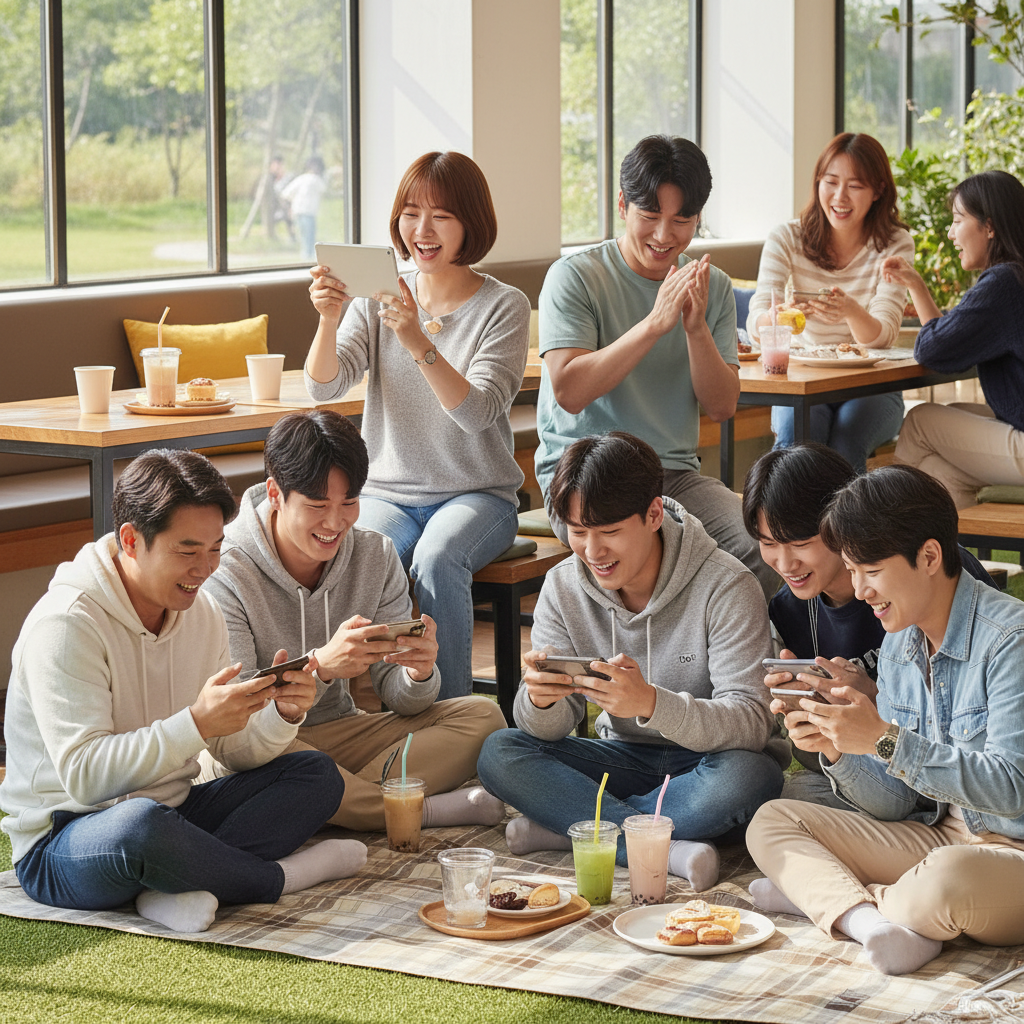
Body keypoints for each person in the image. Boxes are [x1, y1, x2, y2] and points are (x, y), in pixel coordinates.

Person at [0, 450, 366, 935]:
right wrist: (195, 724)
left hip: (176, 816)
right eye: (187, 551)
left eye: (215, 549)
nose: (205, 568)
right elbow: (85, 777)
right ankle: (279, 878)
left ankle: (171, 884)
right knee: (139, 828)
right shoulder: (66, 625)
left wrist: (279, 714)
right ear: (131, 541)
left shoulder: (203, 611)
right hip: (66, 839)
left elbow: (231, 752)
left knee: (315, 774)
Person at [746, 465, 1024, 976]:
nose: (860, 589)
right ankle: (873, 925)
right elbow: (898, 806)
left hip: (1009, 855)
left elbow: (1013, 789)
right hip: (938, 838)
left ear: (929, 556)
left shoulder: (1011, 641)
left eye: (870, 570)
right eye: (851, 571)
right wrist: (836, 743)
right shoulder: (899, 646)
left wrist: (886, 739)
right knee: (773, 820)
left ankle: (834, 897)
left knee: (948, 879)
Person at [477, 432, 782, 892]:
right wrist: (540, 702)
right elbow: (549, 731)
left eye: (610, 532)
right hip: (624, 758)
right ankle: (654, 841)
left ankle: (576, 828)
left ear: (654, 514)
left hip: (710, 763)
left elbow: (752, 722)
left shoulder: (727, 585)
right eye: (578, 533)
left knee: (751, 776)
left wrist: (651, 702)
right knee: (501, 751)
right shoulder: (562, 588)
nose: (593, 551)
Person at [205, 410, 508, 832]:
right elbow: (236, 719)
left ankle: (328, 805)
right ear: (275, 493)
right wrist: (322, 667)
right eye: (317, 506)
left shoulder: (374, 554)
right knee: (262, 766)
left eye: (349, 503)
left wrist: (419, 674)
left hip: (343, 734)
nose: (335, 522)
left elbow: (401, 701)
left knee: (483, 717)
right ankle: (416, 809)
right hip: (264, 745)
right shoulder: (226, 571)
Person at [305, 151, 531, 699]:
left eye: (442, 216)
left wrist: (416, 340)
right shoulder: (376, 296)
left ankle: (450, 714)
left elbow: (478, 412)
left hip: (478, 494)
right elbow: (325, 388)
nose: (422, 230)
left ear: (470, 225)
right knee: (351, 549)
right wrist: (329, 318)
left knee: (437, 556)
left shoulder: (504, 307)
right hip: (389, 491)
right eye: (411, 212)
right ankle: (341, 710)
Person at [533, 134, 777, 600]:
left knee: (756, 544)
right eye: (649, 217)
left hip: (672, 477)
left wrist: (694, 328)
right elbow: (569, 390)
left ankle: (730, 669)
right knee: (648, 545)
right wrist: (653, 323)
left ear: (697, 219)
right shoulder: (575, 276)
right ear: (622, 205)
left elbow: (723, 405)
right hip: (583, 476)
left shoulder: (712, 286)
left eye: (681, 220)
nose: (665, 236)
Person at [740, 442, 995, 808]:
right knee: (793, 799)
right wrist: (813, 718)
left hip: (960, 778)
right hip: (882, 782)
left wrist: (874, 701)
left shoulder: (924, 580)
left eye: (800, 543)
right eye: (768, 544)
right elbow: (826, 762)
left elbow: (979, 729)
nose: (785, 563)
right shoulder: (790, 610)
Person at [747, 133, 914, 473]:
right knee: (797, 439)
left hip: (873, 386)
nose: (840, 197)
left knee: (847, 440)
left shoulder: (895, 243)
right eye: (831, 182)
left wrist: (851, 310)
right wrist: (774, 318)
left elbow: (882, 336)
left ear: (878, 191)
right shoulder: (787, 237)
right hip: (804, 379)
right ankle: (784, 527)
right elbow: (755, 325)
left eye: (855, 186)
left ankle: (842, 528)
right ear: (818, 182)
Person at [884, 170, 1024, 507]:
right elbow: (947, 340)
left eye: (958, 220)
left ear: (989, 227)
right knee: (939, 469)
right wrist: (916, 285)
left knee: (920, 422)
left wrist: (915, 287)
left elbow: (932, 350)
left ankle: (882, 534)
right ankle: (954, 557)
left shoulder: (1003, 284)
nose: (951, 234)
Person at [282, 156, 327, 260]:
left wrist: (290, 207)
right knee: (309, 237)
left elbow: (285, 193)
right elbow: (324, 190)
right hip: (308, 213)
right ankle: (308, 258)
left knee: (303, 237)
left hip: (297, 211)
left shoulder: (301, 178)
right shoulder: (316, 179)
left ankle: (305, 256)